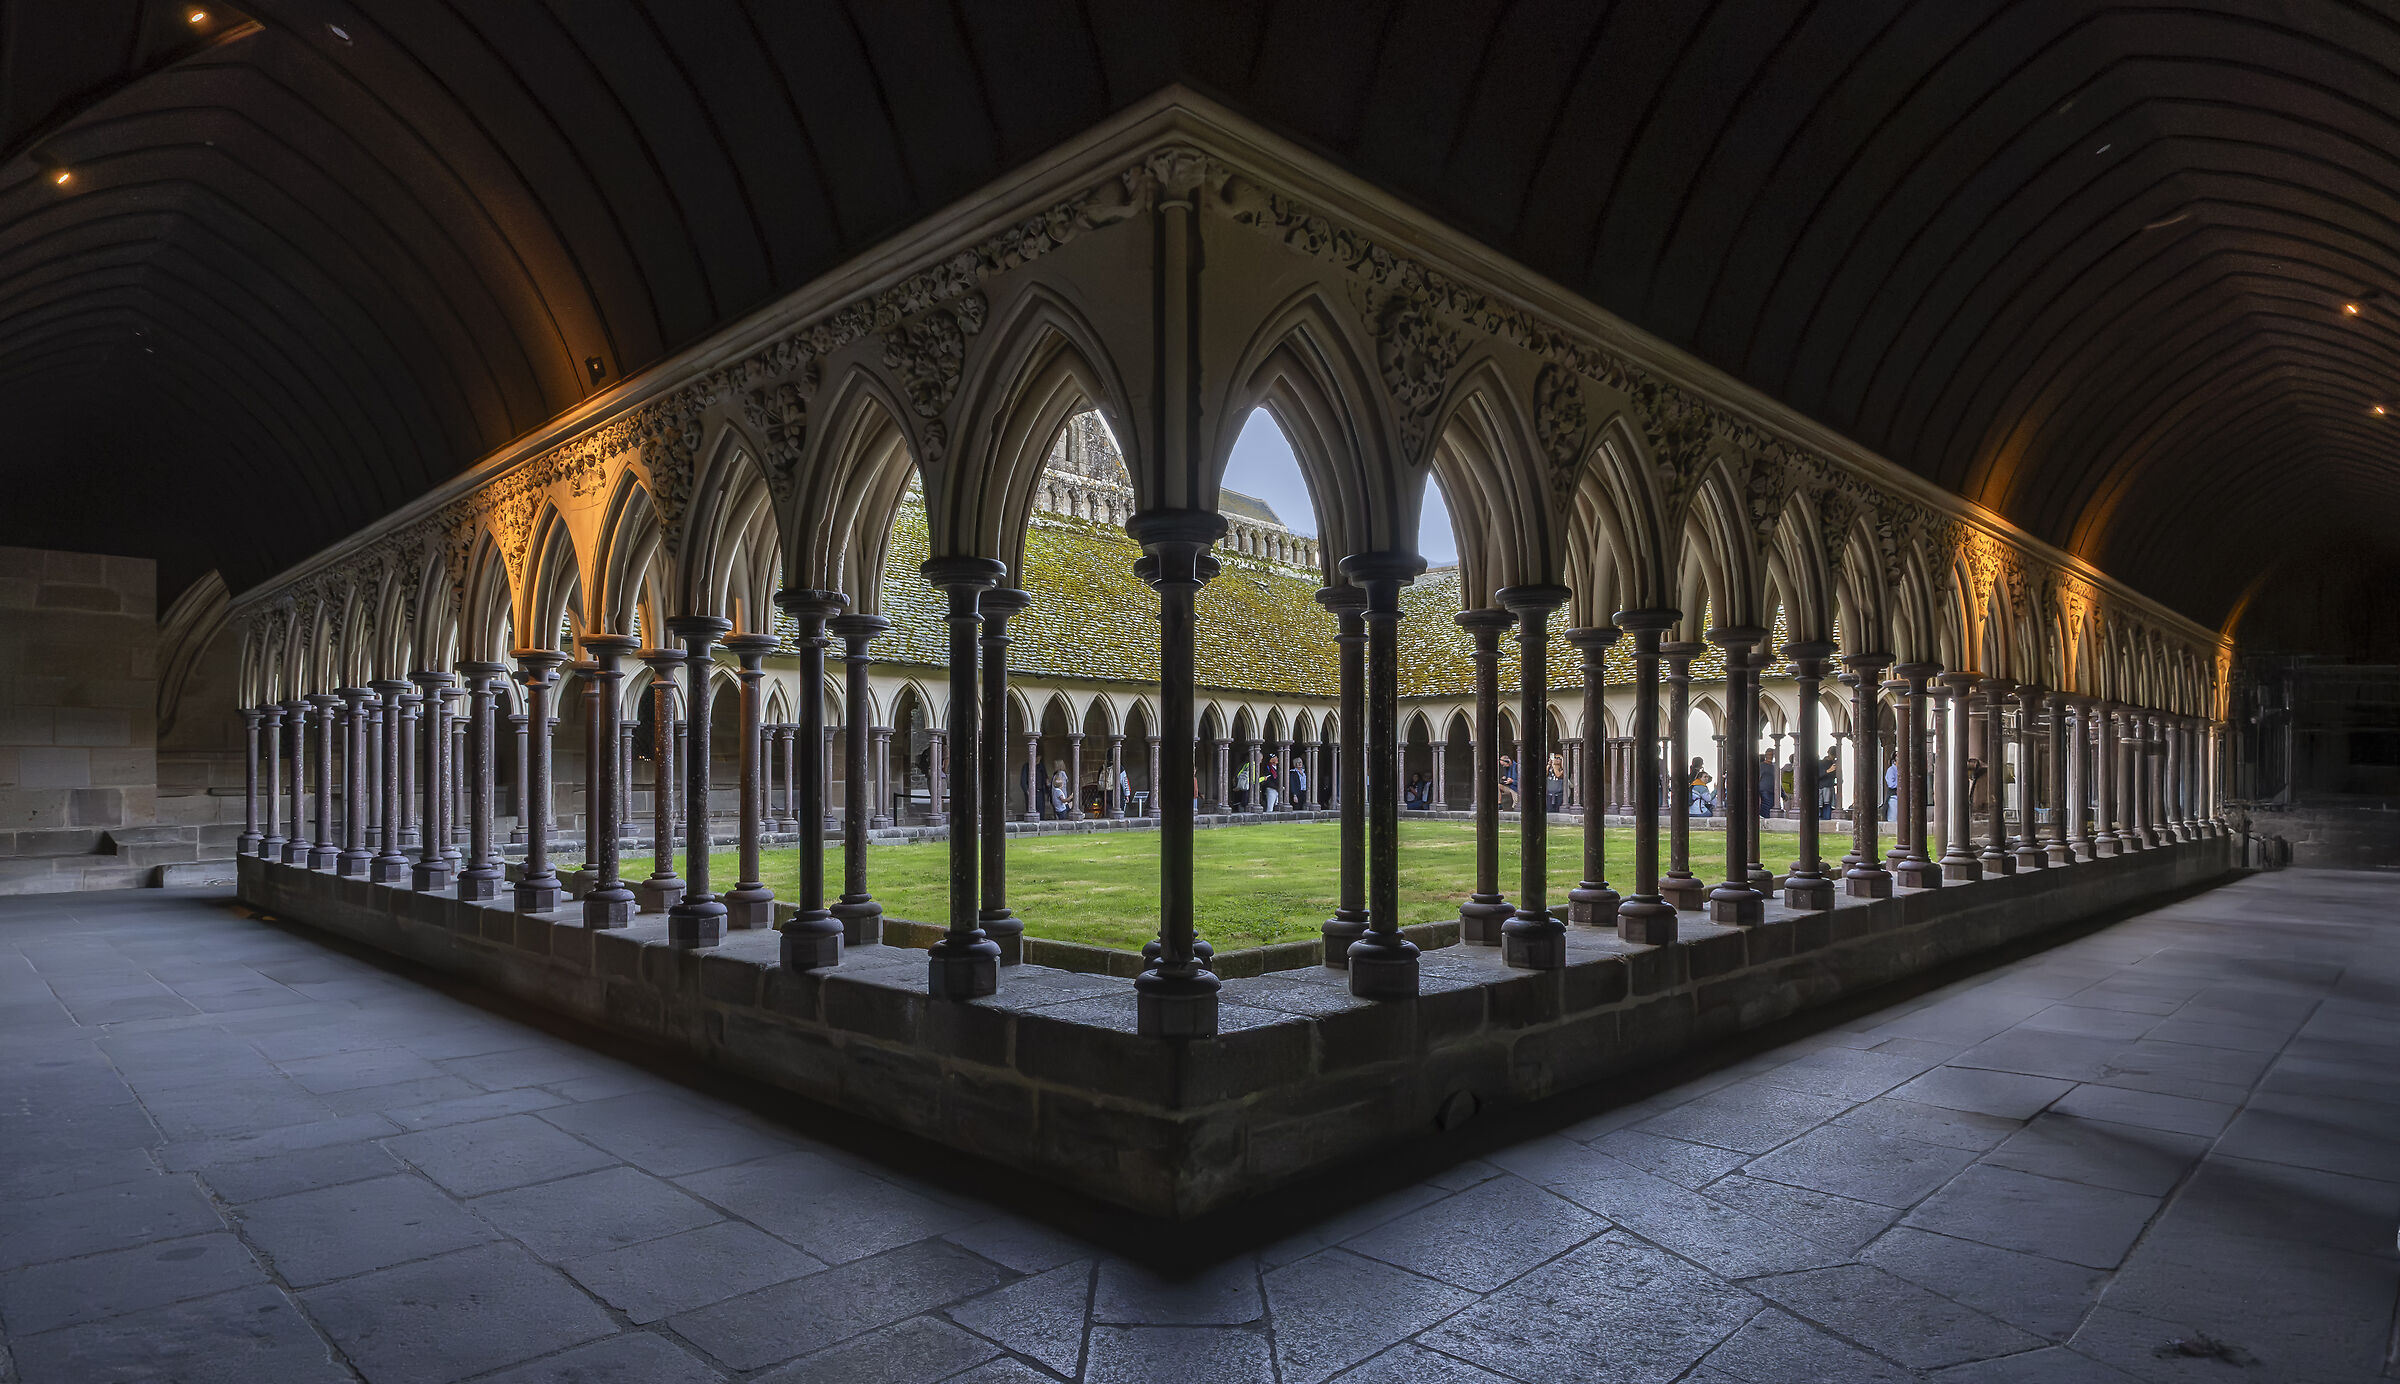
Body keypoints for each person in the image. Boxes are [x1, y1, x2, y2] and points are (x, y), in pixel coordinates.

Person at [1818, 749, 1841, 819]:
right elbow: (1817, 775)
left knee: (1827, 807)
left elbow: (1838, 777)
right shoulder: (1821, 763)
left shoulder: (1834, 764)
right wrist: (1828, 771)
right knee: (1823, 807)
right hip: (1823, 788)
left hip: (1829, 787)